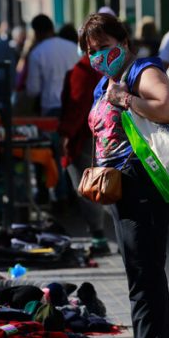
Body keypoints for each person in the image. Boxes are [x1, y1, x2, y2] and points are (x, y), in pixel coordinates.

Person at [79, 13, 169, 338]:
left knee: (145, 275)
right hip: (124, 187)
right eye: (91, 50)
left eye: (104, 47)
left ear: (123, 42)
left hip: (144, 184)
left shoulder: (142, 72)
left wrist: (125, 99)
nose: (98, 55)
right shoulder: (108, 81)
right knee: (142, 274)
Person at [57, 52, 109, 255]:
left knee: (88, 187)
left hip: (84, 137)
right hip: (100, 134)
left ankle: (99, 238)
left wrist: (66, 134)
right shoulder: (101, 68)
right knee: (96, 186)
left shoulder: (83, 71)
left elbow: (77, 106)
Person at [25, 14, 80, 116]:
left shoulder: (37, 53)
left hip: (50, 106)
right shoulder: (73, 47)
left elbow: (33, 90)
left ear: (36, 32)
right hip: (75, 104)